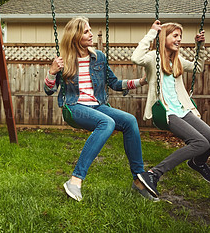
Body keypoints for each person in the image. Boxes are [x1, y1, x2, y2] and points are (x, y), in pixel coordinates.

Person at [44, 17, 157, 202]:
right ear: (75, 36)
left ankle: (139, 179)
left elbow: (113, 83)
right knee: (107, 123)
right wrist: (52, 72)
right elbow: (49, 90)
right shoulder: (63, 61)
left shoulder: (99, 57)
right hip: (73, 107)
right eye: (86, 31)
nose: (91, 34)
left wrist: (140, 82)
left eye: (90, 30)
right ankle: (75, 180)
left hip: (98, 105)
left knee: (130, 121)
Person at [131, 20, 210, 198]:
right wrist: (151, 33)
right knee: (200, 143)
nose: (179, 39)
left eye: (180, 36)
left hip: (182, 110)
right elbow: (136, 58)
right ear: (164, 37)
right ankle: (153, 174)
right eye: (175, 35)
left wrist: (199, 45)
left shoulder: (177, 60)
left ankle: (198, 163)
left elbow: (198, 68)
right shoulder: (152, 58)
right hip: (165, 112)